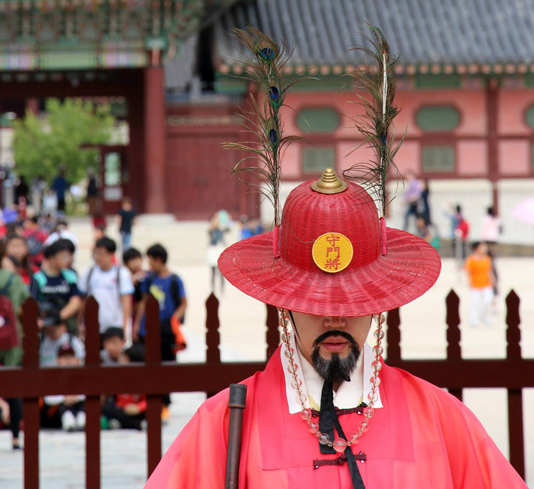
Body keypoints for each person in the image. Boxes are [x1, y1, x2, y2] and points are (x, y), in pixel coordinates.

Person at [145, 167, 527, 488]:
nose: (334, 318)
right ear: (284, 304)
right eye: (315, 303)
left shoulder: (438, 417)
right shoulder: (226, 426)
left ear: (379, 303)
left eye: (353, 301)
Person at [134, 244, 187, 422]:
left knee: (167, 364)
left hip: (166, 330)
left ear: (158, 259)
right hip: (149, 328)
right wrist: (136, 325)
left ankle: (165, 403)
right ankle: (151, 401)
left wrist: (174, 320)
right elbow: (143, 302)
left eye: (150, 260)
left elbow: (183, 303)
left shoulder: (175, 280)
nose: (149, 265)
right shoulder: (149, 279)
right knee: (150, 364)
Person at [79, 237, 133, 336]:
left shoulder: (121, 273)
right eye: (96, 253)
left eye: (102, 254)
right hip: (93, 326)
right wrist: (80, 323)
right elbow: (83, 300)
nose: (98, 257)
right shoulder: (89, 273)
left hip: (114, 326)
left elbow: (126, 302)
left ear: (111, 254)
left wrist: (124, 326)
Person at [0, 262, 28, 450]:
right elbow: (26, 304)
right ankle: (16, 437)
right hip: (10, 337)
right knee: (14, 385)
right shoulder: (12, 279)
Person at [32, 240, 82, 334]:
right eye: (64, 256)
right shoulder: (38, 278)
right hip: (43, 328)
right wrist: (43, 322)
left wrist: (57, 318)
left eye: (70, 256)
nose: (68, 259)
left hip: (67, 327)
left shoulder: (70, 276)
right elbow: (33, 302)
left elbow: (76, 301)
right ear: (51, 259)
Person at [101, 344, 147, 430]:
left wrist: (138, 408)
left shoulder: (144, 380)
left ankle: (127, 423)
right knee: (106, 409)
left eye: (124, 359)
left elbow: (148, 400)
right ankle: (137, 425)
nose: (120, 361)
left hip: (138, 411)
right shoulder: (118, 377)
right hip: (122, 410)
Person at [41, 343, 85, 431]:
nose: (68, 361)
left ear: (76, 360)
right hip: (57, 416)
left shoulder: (82, 376)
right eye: (64, 358)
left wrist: (76, 397)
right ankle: (68, 420)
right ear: (58, 360)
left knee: (85, 404)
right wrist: (63, 398)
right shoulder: (53, 377)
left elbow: (90, 393)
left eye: (70, 358)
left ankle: (82, 420)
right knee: (60, 405)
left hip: (79, 408)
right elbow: (47, 398)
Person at [465, 242, 494, 328]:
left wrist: (492, 281)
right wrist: (469, 282)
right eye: (482, 247)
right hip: (475, 284)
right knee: (475, 302)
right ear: (476, 249)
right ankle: (474, 319)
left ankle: (484, 316)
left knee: (488, 300)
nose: (484, 249)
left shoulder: (487, 258)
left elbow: (489, 271)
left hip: (486, 283)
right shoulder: (471, 259)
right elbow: (468, 271)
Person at [207, 210, 231, 293]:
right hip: (213, 250)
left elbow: (228, 229)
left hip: (219, 249)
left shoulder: (222, 230)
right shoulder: (211, 230)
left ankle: (222, 289)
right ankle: (213, 289)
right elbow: (211, 235)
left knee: (221, 271)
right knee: (213, 271)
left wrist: (227, 220)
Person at [481, 205, 500, 301]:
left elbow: (484, 230)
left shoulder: (485, 219)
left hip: (488, 240)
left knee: (489, 261)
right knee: (492, 260)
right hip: (494, 240)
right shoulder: (495, 219)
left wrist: (483, 242)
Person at [123, 247, 146, 323]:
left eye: (138, 259)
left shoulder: (147, 277)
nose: (137, 263)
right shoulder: (123, 279)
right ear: (126, 263)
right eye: (133, 260)